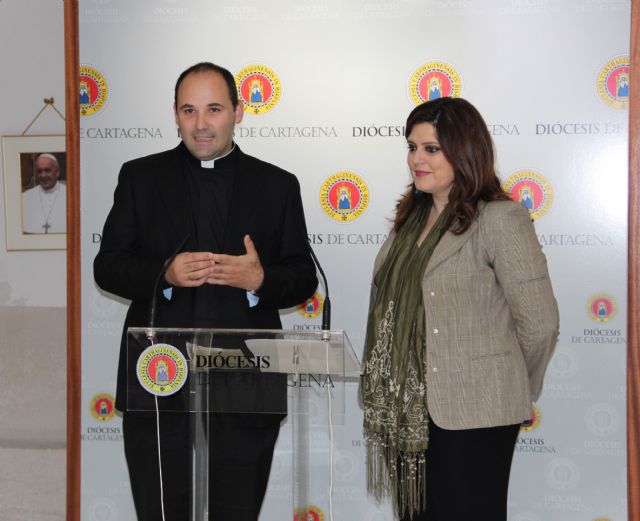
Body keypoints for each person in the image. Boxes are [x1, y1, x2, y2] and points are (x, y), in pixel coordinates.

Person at [94, 62, 318, 521]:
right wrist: (165, 272)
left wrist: (260, 281)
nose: (200, 123)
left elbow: (302, 277)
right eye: (188, 110)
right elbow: (108, 266)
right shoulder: (140, 178)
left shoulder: (277, 185)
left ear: (238, 112)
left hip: (246, 378)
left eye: (214, 109)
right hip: (160, 378)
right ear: (175, 115)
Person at [361, 97, 559, 521]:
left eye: (431, 149)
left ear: (465, 151)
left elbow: (540, 325)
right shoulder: (409, 221)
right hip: (409, 412)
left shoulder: (500, 219)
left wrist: (510, 388)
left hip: (478, 412)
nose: (417, 159)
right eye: (412, 147)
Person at [22, 153, 66, 234]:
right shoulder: (25, 197)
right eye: (39, 171)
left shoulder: (70, 195)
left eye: (47, 170)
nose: (43, 175)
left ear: (57, 172)